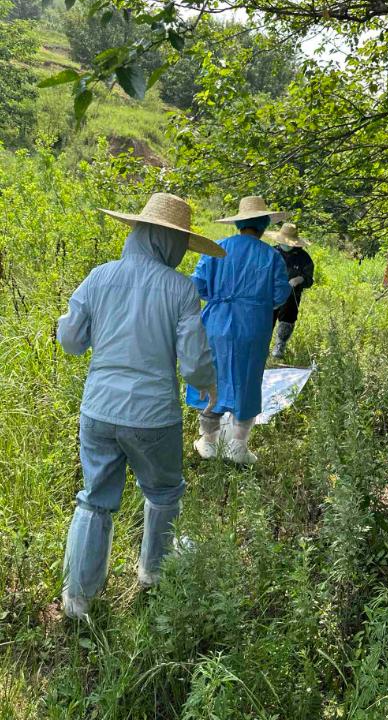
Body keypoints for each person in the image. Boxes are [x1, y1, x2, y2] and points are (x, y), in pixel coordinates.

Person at [57, 193, 224, 620]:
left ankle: (78, 599)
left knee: (94, 499)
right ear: (168, 242)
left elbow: (71, 342)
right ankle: (153, 572)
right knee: (164, 492)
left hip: (98, 410)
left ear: (137, 232)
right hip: (154, 417)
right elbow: (193, 364)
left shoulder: (99, 277)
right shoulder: (181, 289)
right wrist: (209, 385)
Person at [186, 196, 291, 465]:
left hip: (216, 322)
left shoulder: (216, 249)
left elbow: (198, 286)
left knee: (213, 377)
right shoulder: (272, 256)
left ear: (239, 223)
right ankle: (237, 446)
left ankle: (208, 442)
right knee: (247, 379)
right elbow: (280, 294)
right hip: (253, 324)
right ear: (263, 222)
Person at [267, 223, 314, 358]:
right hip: (270, 292)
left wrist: (300, 279)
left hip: (291, 294)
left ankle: (280, 345)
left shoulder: (304, 258)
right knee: (267, 319)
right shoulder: (271, 253)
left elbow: (309, 279)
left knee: (288, 318)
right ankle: (262, 345)